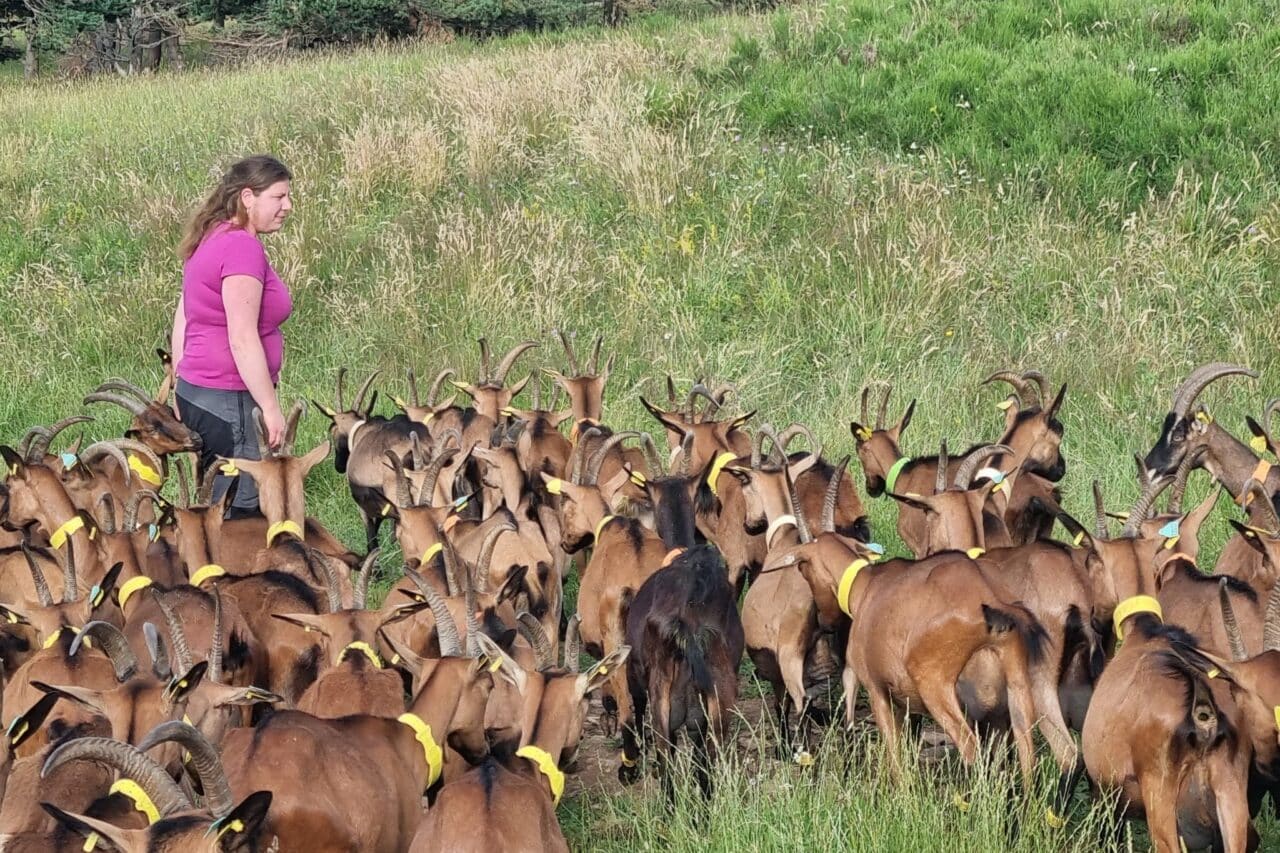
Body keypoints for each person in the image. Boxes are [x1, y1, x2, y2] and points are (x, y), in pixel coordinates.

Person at [170, 155, 294, 518]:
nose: (287, 206)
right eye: (278, 197)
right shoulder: (241, 247)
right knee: (239, 509)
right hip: (230, 401)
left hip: (200, 393)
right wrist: (271, 409)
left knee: (214, 497)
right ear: (247, 197)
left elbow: (183, 314)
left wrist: (179, 377)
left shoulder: (211, 235)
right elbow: (241, 338)